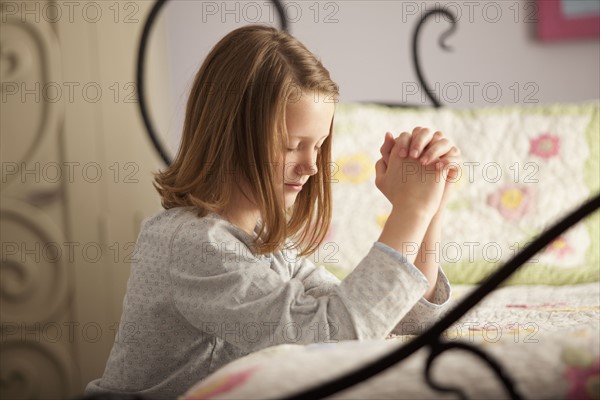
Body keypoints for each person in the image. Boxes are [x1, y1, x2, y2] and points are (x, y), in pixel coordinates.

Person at [84, 24, 461, 399]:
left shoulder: (266, 240)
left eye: (318, 146)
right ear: (230, 134)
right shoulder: (193, 243)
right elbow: (335, 338)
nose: (311, 167)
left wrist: (431, 212)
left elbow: (401, 318)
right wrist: (409, 211)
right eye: (293, 145)